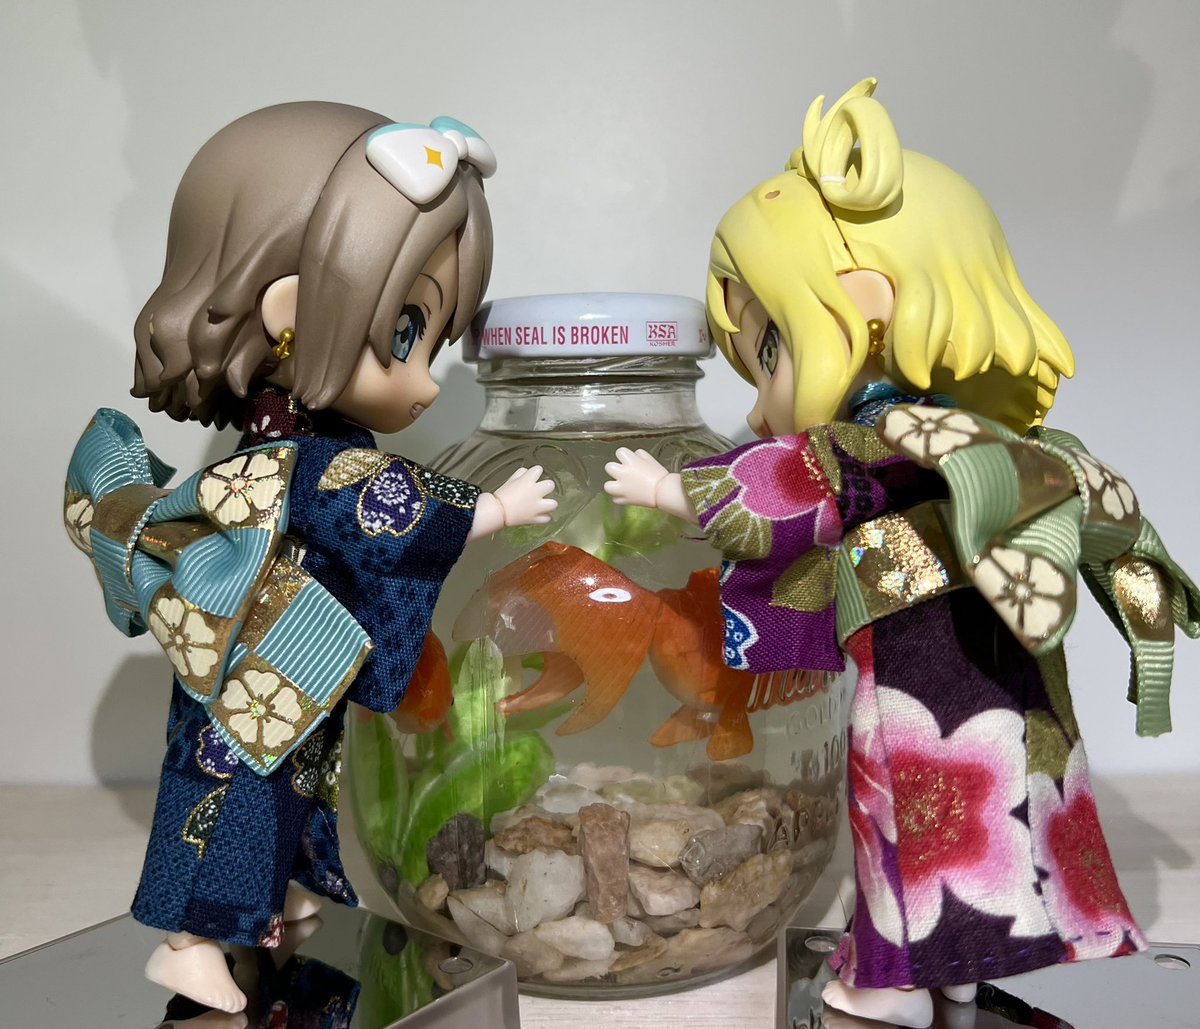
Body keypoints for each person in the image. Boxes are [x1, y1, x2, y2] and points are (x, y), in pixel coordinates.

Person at [605, 79, 1197, 1027]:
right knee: (999, 819)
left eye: (769, 349)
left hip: (918, 676)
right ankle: (959, 969)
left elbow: (788, 490)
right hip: (1011, 671)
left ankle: (891, 982)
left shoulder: (875, 442)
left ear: (867, 305)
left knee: (907, 816)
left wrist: (673, 489)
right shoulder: (989, 445)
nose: (759, 402)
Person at [65, 101, 555, 1013]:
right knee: (230, 794)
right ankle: (191, 936)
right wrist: (488, 508)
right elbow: (377, 504)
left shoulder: (293, 446)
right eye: (404, 334)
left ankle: (263, 907)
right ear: (290, 314)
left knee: (296, 784)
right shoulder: (300, 458)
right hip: (255, 666)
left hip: (286, 654)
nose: (425, 380)